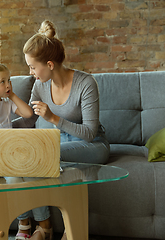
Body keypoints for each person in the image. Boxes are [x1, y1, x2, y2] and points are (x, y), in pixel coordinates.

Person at [12, 20, 110, 240]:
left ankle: (71, 227)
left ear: (49, 64)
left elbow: (89, 132)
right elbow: (29, 120)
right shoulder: (39, 85)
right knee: (28, 158)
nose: (30, 72)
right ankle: (44, 227)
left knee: (44, 155)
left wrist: (53, 118)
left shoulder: (86, 83)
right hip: (59, 142)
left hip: (92, 144)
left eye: (32, 66)